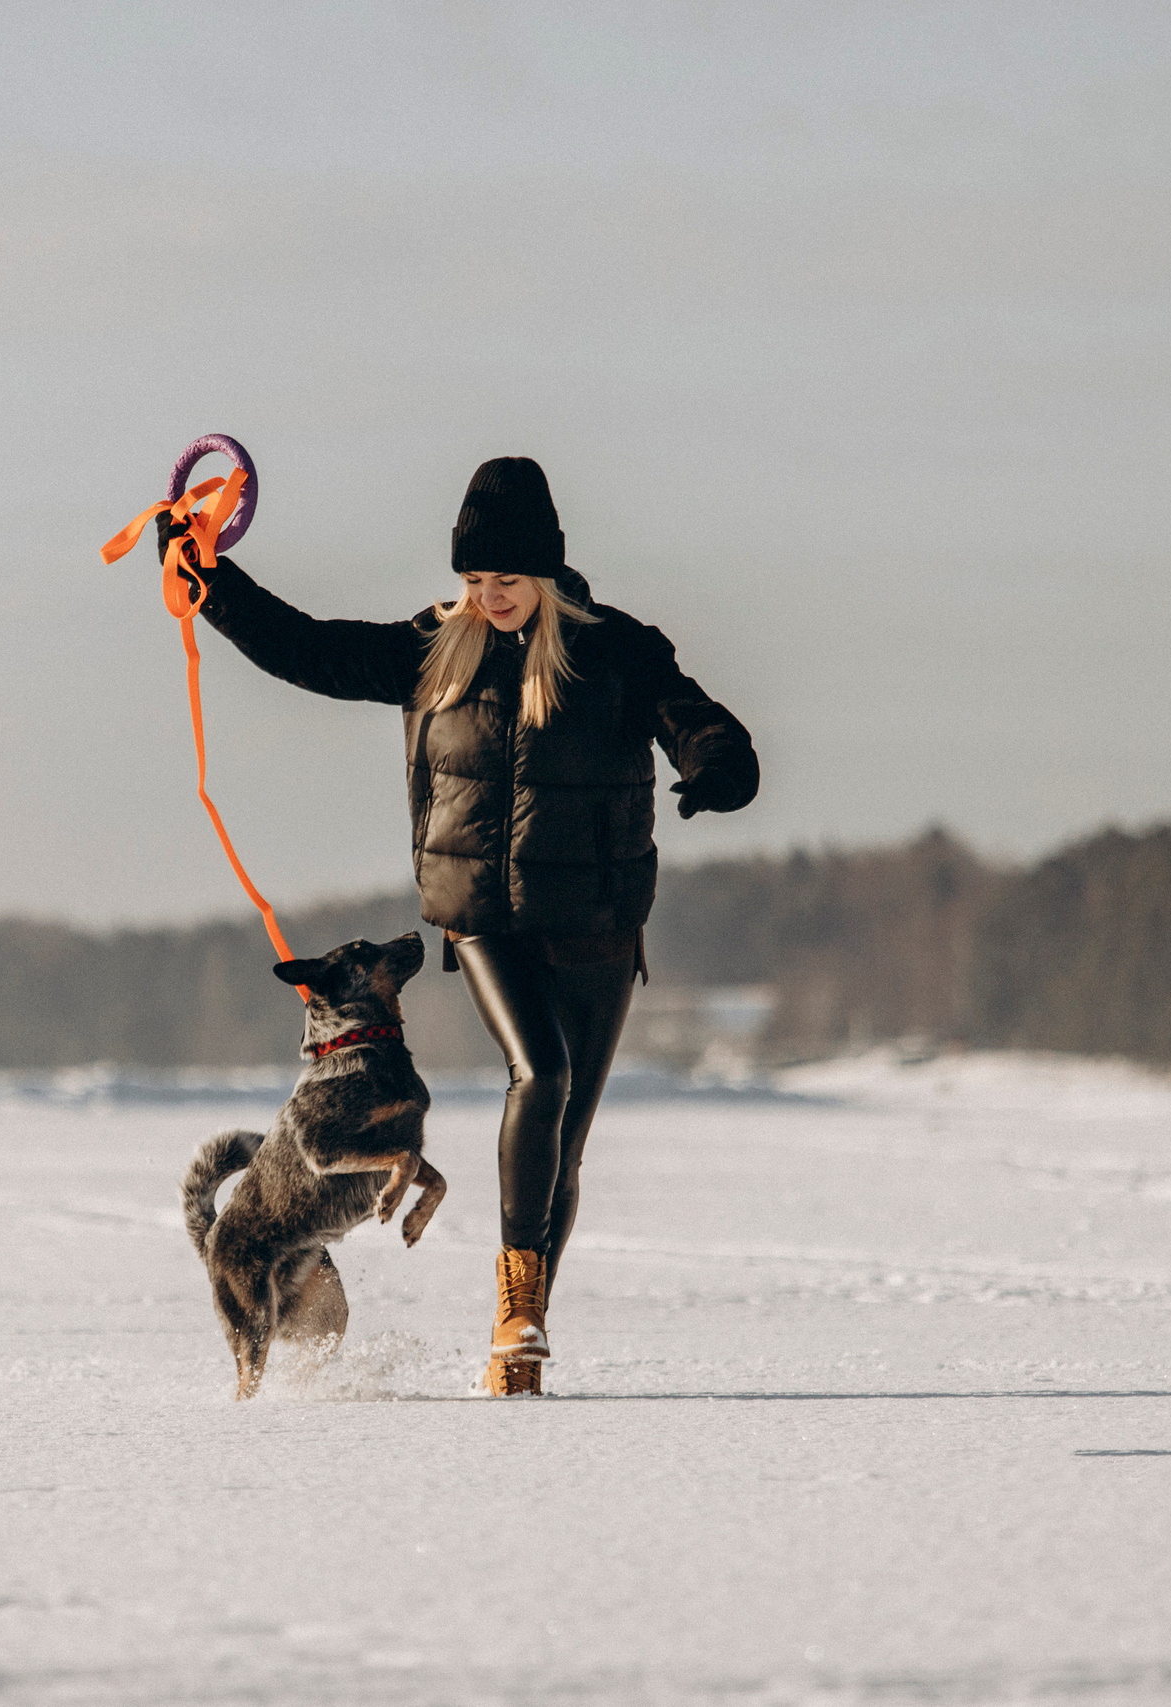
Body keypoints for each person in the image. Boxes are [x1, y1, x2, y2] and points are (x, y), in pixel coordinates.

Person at [160, 456, 758, 1395]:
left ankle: (518, 1338)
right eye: (474, 581)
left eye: (506, 581)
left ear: (549, 574)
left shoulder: (617, 650)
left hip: (600, 926)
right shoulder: (436, 647)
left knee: (562, 1149)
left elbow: (696, 720)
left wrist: (720, 766)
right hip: (483, 917)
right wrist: (213, 585)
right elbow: (311, 648)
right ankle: (518, 1306)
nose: (489, 598)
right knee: (542, 1070)